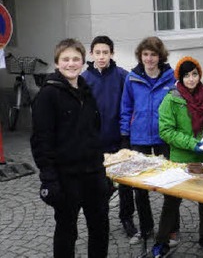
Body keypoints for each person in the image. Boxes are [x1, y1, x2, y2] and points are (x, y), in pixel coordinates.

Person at [31, 38, 110, 257]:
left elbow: (94, 131)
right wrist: (49, 179)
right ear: (57, 63)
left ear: (84, 62)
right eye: (65, 59)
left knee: (100, 227)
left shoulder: (86, 90)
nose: (71, 63)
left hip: (93, 174)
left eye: (76, 59)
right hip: (66, 177)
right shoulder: (48, 95)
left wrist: (102, 172)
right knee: (67, 231)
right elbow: (41, 140)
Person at [151, 56, 203, 257]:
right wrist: (192, 143)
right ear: (180, 77)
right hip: (181, 158)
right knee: (172, 201)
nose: (191, 79)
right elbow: (166, 131)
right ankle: (162, 240)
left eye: (194, 74)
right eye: (187, 75)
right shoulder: (171, 99)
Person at [120, 36, 177, 245]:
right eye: (145, 54)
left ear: (160, 56)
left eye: (153, 54)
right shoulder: (132, 78)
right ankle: (146, 228)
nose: (149, 58)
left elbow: (178, 107)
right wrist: (125, 135)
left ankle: (170, 229)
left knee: (171, 183)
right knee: (140, 186)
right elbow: (126, 108)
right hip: (139, 137)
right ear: (140, 56)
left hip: (164, 137)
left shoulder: (171, 77)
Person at [81, 35, 137, 239]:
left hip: (119, 139)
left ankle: (126, 217)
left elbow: (130, 107)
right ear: (91, 54)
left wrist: (126, 135)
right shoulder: (84, 79)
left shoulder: (123, 76)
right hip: (96, 143)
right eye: (98, 52)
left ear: (112, 54)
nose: (102, 56)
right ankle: (100, 218)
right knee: (99, 185)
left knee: (125, 184)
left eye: (106, 52)